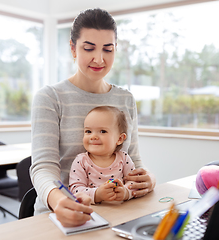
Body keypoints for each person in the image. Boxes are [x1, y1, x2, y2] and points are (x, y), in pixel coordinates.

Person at [30, 8, 156, 227]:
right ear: (73, 49)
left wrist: (149, 180)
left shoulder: (125, 99)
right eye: (89, 48)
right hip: (62, 213)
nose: (99, 59)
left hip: (118, 213)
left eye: (108, 49)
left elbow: (133, 160)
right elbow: (43, 168)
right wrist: (60, 202)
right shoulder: (50, 97)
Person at [69, 106, 136, 204]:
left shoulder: (124, 158)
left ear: (120, 139)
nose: (93, 136)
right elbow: (75, 190)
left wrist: (126, 192)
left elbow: (134, 182)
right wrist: (97, 194)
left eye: (103, 131)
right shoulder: (81, 161)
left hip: (122, 212)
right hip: (93, 213)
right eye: (88, 131)